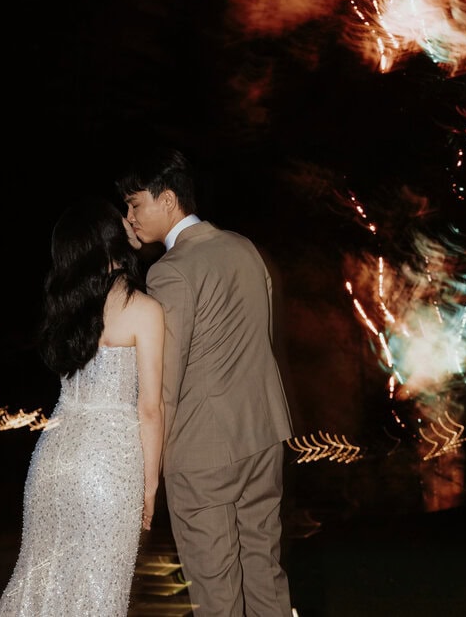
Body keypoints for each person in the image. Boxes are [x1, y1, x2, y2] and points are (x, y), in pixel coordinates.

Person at [117, 147, 293, 616]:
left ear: (167, 199)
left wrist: (150, 472)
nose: (129, 217)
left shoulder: (171, 271)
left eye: (135, 204)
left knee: (216, 593)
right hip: (263, 435)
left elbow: (164, 383)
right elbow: (260, 340)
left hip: (203, 453)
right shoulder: (243, 248)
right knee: (266, 575)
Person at [0, 197, 164, 617]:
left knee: (41, 587)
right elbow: (150, 409)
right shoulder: (143, 310)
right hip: (108, 466)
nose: (129, 220)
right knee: (96, 593)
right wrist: (150, 486)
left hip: (52, 459)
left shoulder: (67, 309)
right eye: (120, 218)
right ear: (107, 238)